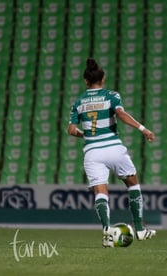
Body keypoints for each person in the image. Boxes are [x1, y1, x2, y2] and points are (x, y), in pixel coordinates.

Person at [67, 58, 156, 248]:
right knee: (132, 183)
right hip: (113, 147)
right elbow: (121, 115)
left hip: (92, 152)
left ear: (85, 81)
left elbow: (71, 130)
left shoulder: (78, 102)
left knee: (100, 192)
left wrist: (85, 135)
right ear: (103, 78)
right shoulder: (111, 95)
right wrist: (143, 129)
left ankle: (107, 233)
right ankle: (140, 229)